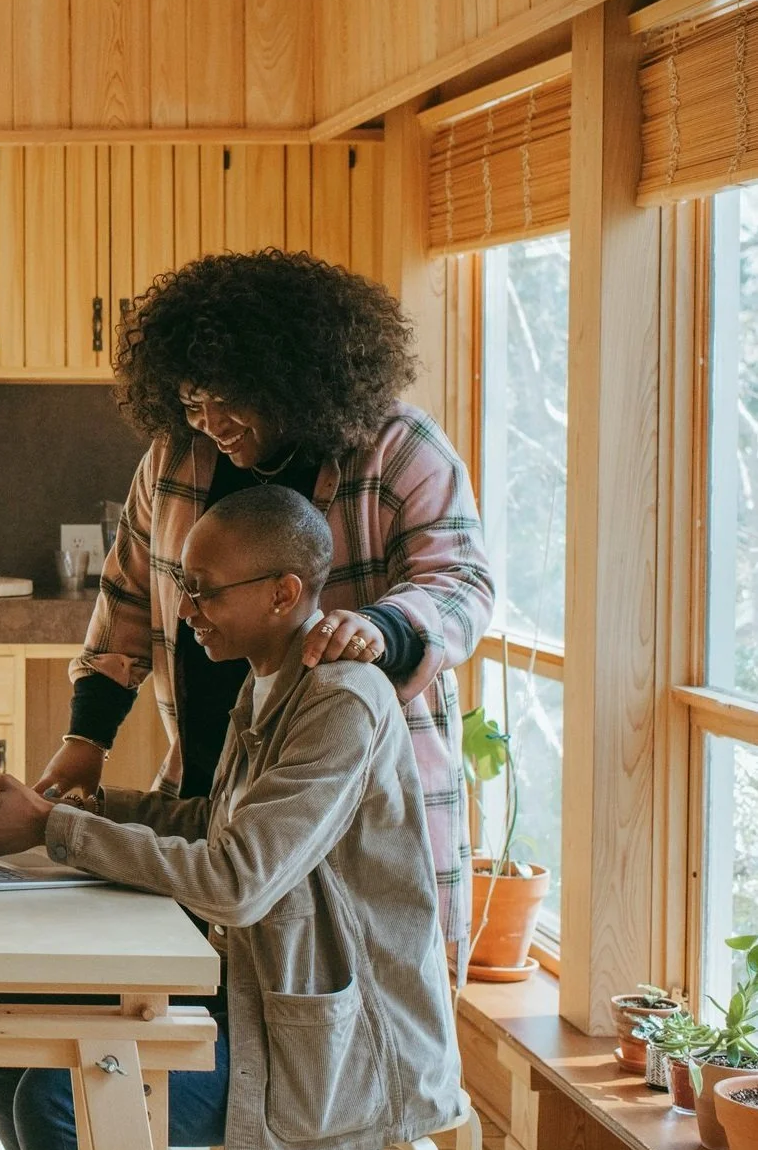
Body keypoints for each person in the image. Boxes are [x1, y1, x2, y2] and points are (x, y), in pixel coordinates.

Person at [0, 486, 464, 1150]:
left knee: (55, 1098)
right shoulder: (265, 680)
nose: (185, 610)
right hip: (257, 992)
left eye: (205, 591)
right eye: (183, 587)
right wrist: (81, 808)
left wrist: (56, 830)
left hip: (329, 1044)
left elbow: (236, 878)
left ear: (283, 593)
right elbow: (213, 821)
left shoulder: (340, 700)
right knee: (0, 1026)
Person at [34, 249, 494, 949]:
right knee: (201, 983)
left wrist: (381, 628)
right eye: (193, 401)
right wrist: (84, 741)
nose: (211, 420)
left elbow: (461, 582)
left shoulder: (398, 448)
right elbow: (124, 600)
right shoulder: (175, 456)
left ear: (289, 377)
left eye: (230, 398)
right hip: (212, 790)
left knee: (349, 994)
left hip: (351, 814)